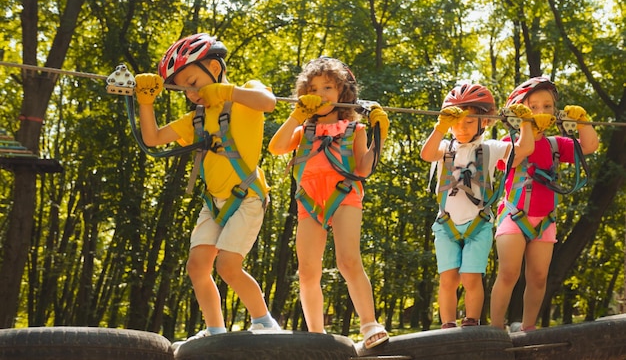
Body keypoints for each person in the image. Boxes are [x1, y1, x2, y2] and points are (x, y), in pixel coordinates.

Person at [134, 33, 280, 345]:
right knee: (197, 266)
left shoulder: (244, 96)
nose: (190, 92)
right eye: (183, 88)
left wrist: (226, 91)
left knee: (228, 265)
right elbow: (153, 138)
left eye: (192, 82)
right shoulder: (196, 118)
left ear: (214, 66)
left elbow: (268, 103)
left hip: (247, 196)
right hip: (214, 202)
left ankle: (264, 322)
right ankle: (215, 330)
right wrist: (145, 102)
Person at [268, 57, 390, 349]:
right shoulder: (302, 131)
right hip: (309, 200)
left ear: (342, 93)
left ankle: (369, 324)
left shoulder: (354, 130)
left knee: (348, 261)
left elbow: (363, 169)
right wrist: (297, 115)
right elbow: (275, 147)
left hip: (344, 194)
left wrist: (379, 136)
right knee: (308, 270)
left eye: (328, 87)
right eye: (313, 88)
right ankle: (316, 335)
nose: (320, 93)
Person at [420, 83, 535, 329]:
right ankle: (447, 326)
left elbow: (525, 149)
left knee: (472, 278)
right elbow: (426, 154)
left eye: (469, 121)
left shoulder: (490, 148)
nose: (462, 127)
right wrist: (440, 127)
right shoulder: (444, 148)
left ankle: (472, 323)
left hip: (478, 225)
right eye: (456, 121)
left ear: (484, 122)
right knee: (448, 279)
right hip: (446, 225)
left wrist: (526, 122)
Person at [489, 76, 599, 332]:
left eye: (547, 106)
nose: (542, 111)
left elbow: (590, 146)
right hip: (514, 217)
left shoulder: (555, 145)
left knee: (538, 278)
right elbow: (520, 154)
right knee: (508, 273)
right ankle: (494, 329)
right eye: (533, 106)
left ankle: (528, 327)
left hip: (544, 220)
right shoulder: (506, 145)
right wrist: (527, 124)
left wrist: (582, 121)